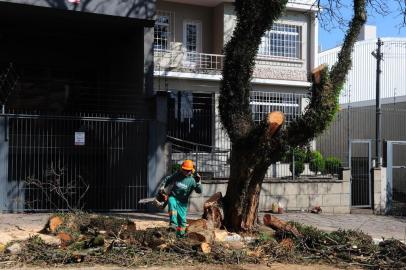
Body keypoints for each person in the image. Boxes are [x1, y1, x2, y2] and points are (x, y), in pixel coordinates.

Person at [162, 159, 202, 238]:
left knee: (182, 222)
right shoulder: (177, 175)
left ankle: (180, 236)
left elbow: (199, 191)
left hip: (182, 203)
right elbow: (168, 179)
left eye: (187, 170)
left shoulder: (192, 180)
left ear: (191, 170)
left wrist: (198, 183)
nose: (185, 172)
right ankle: (173, 224)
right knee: (171, 201)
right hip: (174, 197)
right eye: (184, 169)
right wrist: (162, 187)